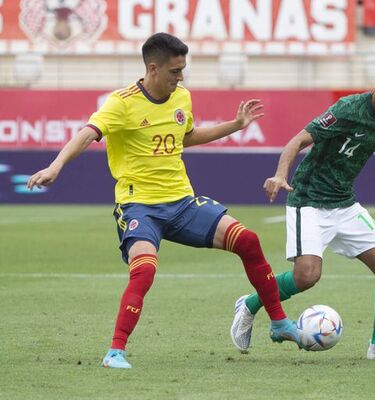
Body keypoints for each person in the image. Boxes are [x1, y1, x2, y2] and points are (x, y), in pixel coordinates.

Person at [27, 32, 301, 369]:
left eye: (183, 69)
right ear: (153, 69)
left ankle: (278, 322)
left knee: (247, 240)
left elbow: (186, 137)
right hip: (139, 205)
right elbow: (87, 133)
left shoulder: (181, 97)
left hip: (183, 203)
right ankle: (115, 351)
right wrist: (56, 166)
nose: (181, 77)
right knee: (144, 271)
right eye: (175, 71)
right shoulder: (122, 102)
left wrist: (235, 125)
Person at [230, 60, 375, 361]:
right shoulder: (348, 109)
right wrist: (281, 175)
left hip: (344, 203)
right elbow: (298, 140)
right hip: (308, 200)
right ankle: (250, 304)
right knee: (306, 276)